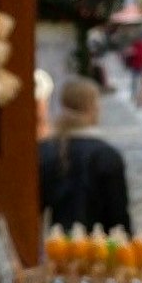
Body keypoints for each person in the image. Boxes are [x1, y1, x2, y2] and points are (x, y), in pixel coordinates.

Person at [38, 77, 132, 234]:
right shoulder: (107, 155)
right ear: (94, 108)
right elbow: (119, 219)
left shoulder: (45, 150)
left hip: (55, 247)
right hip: (99, 250)